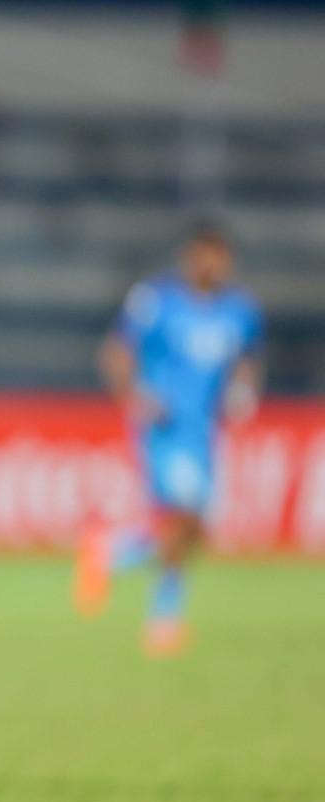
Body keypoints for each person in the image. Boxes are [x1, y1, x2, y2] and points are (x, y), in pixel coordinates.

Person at [73, 222, 263, 656]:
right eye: (204, 254)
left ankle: (108, 552)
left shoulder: (241, 311)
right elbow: (117, 351)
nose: (211, 264)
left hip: (204, 431)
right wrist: (134, 395)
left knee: (194, 531)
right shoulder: (156, 302)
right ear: (189, 256)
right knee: (181, 520)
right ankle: (163, 622)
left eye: (219, 255)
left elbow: (247, 360)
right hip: (164, 429)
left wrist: (244, 389)